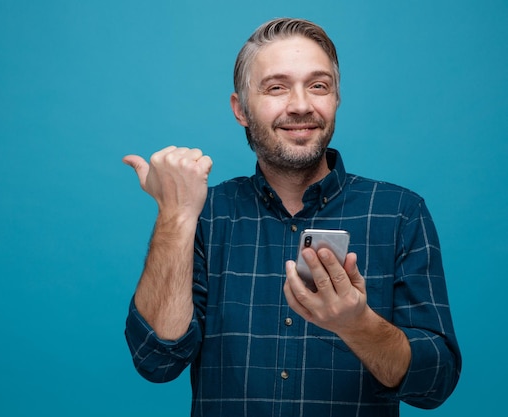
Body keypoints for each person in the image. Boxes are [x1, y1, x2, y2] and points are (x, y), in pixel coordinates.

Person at [123, 17, 461, 416]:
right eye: (277, 87)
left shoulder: (401, 213)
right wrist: (176, 216)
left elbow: (435, 382)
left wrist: (357, 325)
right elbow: (157, 361)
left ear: (336, 99)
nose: (301, 105)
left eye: (318, 86)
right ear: (241, 109)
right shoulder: (206, 215)